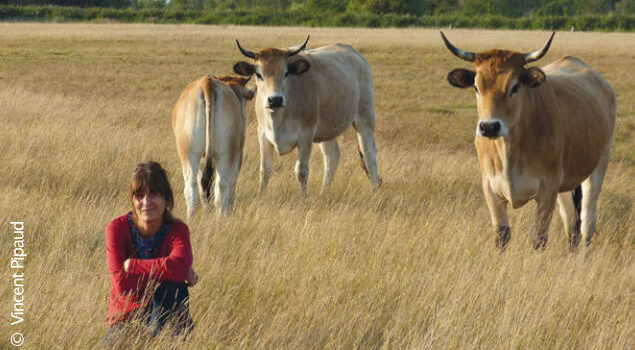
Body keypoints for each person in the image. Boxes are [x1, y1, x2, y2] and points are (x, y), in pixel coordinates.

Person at [104, 161, 197, 343]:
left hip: (168, 313)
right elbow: (122, 285)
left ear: (166, 199)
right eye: (139, 195)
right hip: (126, 317)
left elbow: (178, 267)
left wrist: (133, 265)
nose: (146, 202)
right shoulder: (116, 229)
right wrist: (173, 272)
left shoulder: (178, 229)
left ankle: (152, 342)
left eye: (154, 194)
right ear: (132, 200)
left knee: (173, 290)